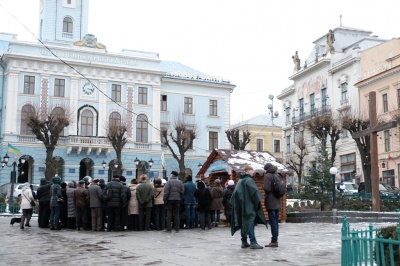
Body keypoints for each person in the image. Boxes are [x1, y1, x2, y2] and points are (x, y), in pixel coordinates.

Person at [231, 165, 266, 249]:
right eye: (251, 170)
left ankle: (244, 241)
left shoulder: (240, 180)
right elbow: (255, 193)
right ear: (247, 171)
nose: (253, 172)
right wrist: (257, 203)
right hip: (249, 206)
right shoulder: (249, 180)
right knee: (250, 222)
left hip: (241, 206)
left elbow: (235, 194)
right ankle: (253, 242)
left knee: (244, 223)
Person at [263, 163, 282, 248]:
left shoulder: (268, 176)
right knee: (276, 222)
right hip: (278, 201)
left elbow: (267, 188)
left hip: (271, 201)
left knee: (273, 222)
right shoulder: (277, 175)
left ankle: (274, 241)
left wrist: (264, 186)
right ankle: (275, 239)